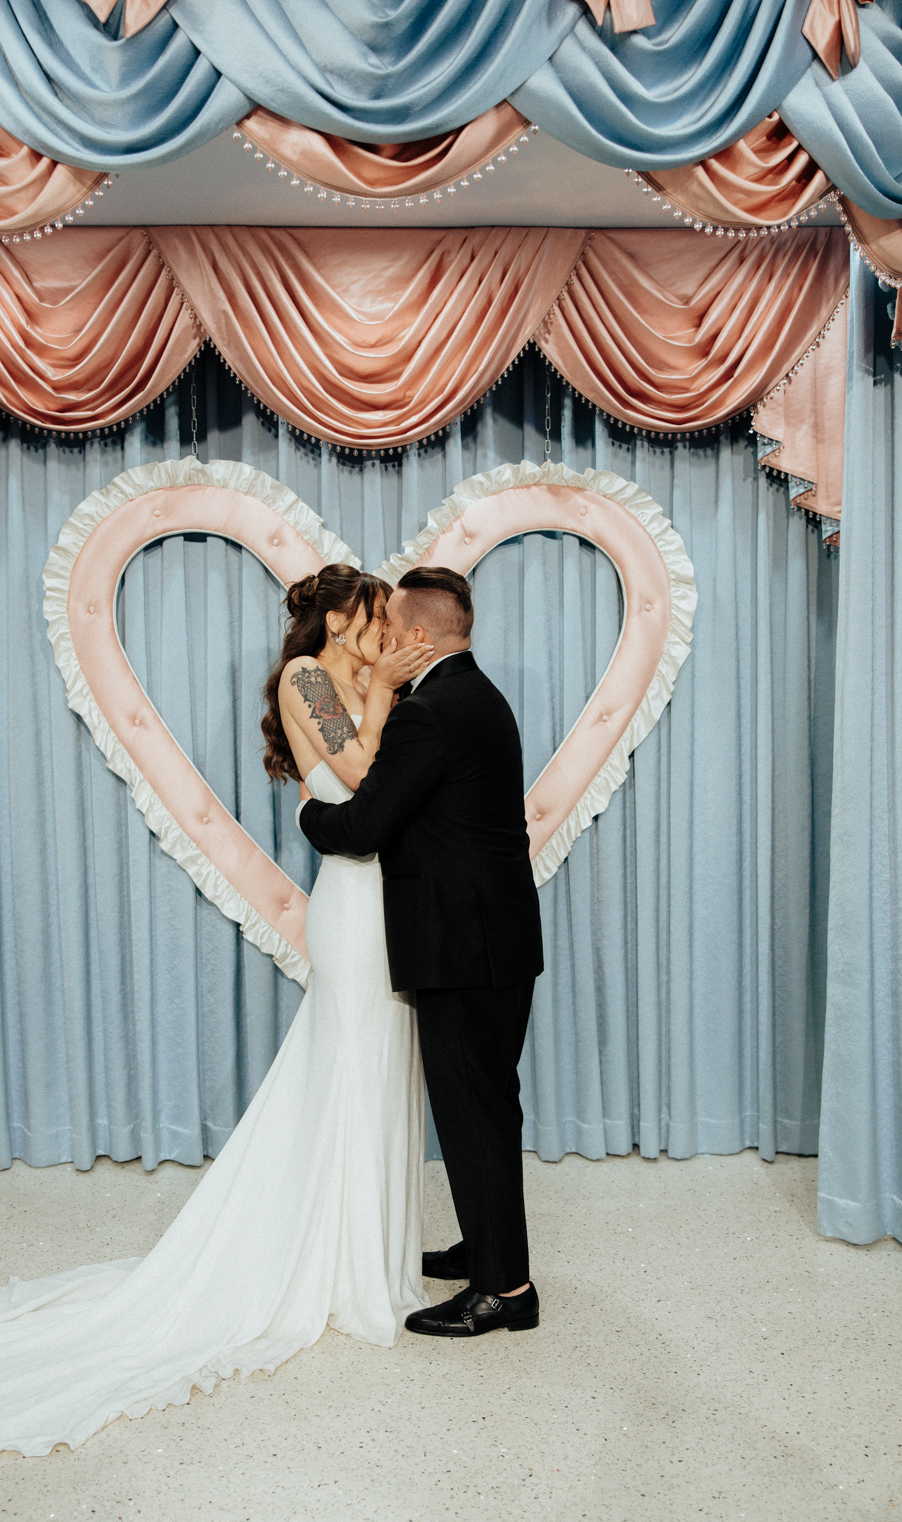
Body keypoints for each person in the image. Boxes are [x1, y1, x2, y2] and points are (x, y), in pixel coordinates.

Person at [0, 564, 434, 1459]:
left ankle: (366, 1249)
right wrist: (383, 694)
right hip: (350, 902)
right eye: (377, 614)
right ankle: (330, 1259)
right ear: (341, 619)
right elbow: (358, 772)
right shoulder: (306, 677)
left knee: (382, 1060)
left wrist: (385, 694)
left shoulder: (360, 681)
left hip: (389, 894)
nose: (388, 629)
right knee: (350, 1056)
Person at [298, 566, 544, 1338]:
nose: (379, 635)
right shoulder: (479, 695)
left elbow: (362, 826)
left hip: (459, 944)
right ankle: (488, 1248)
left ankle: (503, 1291)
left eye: (388, 623)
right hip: (497, 936)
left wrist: (307, 815)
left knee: (472, 1111)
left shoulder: (428, 713)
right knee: (488, 1105)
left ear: (413, 635)